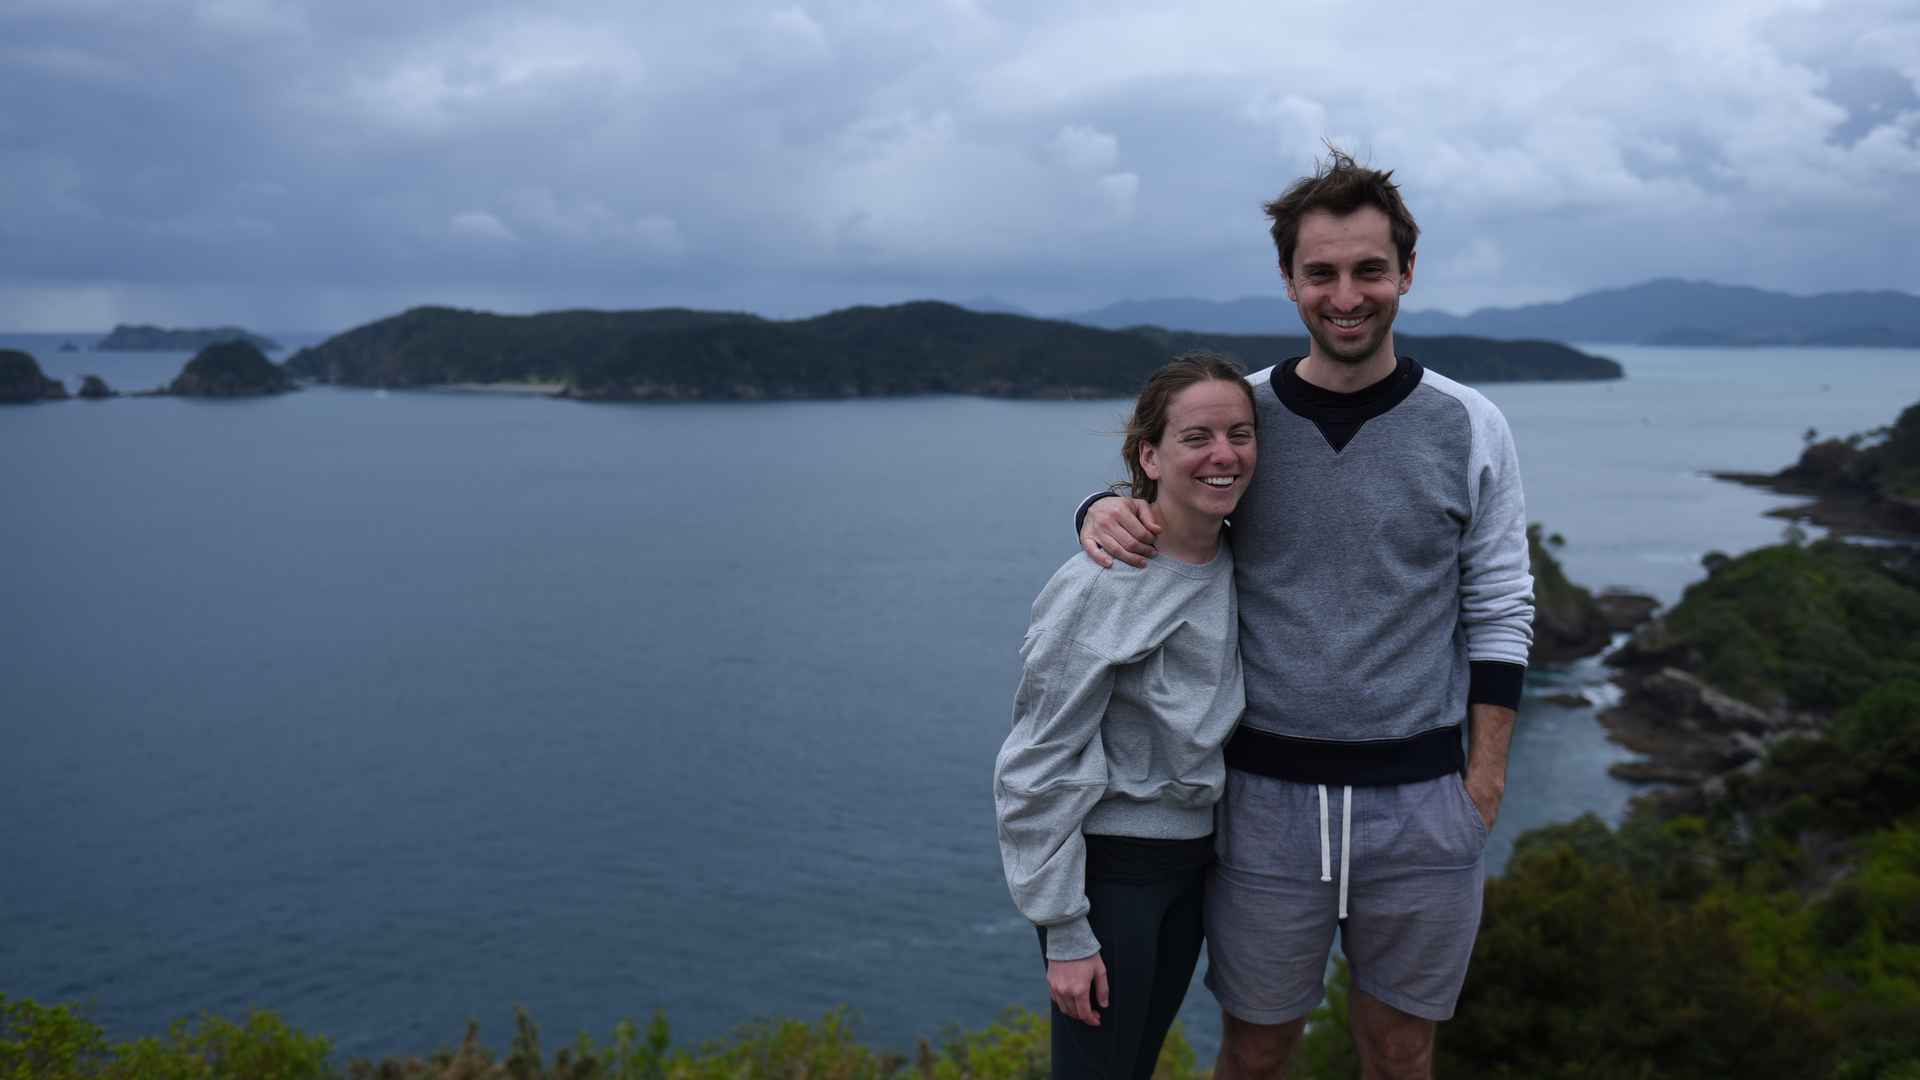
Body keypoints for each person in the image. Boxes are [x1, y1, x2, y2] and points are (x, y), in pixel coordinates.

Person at [1078, 150, 1535, 1080]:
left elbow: (1499, 604)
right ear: (1290, 281)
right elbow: (1158, 498)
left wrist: (1480, 784)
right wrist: (1096, 505)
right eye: (1321, 272)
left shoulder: (1469, 423)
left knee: (1401, 1055)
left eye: (1369, 269)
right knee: (1252, 1054)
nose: (1347, 294)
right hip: (1261, 802)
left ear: (1406, 272)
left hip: (1420, 802)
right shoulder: (1238, 415)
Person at [995, 354, 1259, 1080]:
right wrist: (1064, 930)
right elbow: (1037, 760)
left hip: (1193, 869)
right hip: (1112, 879)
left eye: (1241, 434)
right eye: (1196, 437)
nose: (1224, 455)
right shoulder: (1101, 586)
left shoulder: (1239, 558)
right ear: (1149, 454)